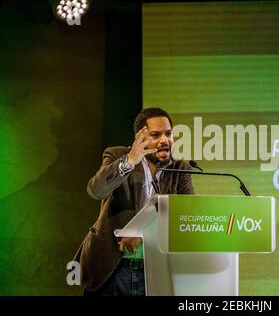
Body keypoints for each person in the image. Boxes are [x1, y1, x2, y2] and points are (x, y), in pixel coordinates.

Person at [74, 107, 194, 296]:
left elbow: (186, 215)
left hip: (155, 269)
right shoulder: (116, 155)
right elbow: (96, 191)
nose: (165, 140)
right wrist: (130, 160)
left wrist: (145, 234)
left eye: (168, 134)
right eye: (156, 135)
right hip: (112, 269)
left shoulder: (180, 169)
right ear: (141, 137)